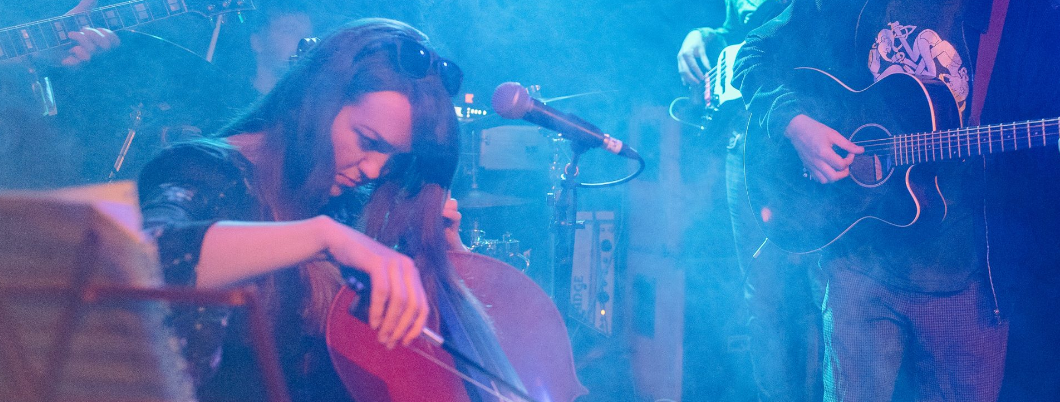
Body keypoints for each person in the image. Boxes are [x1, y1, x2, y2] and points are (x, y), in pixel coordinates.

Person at [137, 18, 515, 401]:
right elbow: (145, 258)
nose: (373, 170)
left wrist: (448, 260)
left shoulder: (345, 205)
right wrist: (324, 236)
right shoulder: (207, 170)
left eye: (392, 160)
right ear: (318, 102)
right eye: (367, 140)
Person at [733, 0, 1059, 400]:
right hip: (859, 267)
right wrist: (794, 123)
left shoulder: (1020, 13)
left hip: (965, 282)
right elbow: (752, 53)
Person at [676, 2, 823, 401]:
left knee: (828, 296)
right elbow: (740, 25)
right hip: (746, 144)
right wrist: (707, 37)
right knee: (765, 303)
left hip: (813, 134)